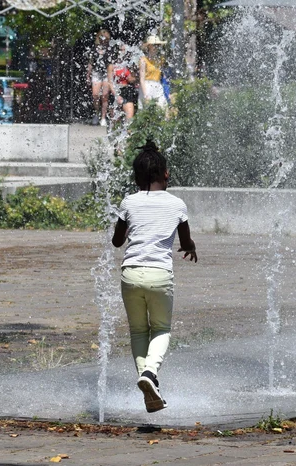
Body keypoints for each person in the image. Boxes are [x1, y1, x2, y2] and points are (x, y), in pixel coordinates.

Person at [112, 141, 198, 413]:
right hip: (160, 275)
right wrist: (190, 247)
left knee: (138, 330)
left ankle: (149, 384)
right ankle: (149, 374)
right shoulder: (176, 204)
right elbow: (184, 241)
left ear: (136, 177)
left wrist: (130, 225)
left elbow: (117, 242)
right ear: (166, 174)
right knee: (161, 329)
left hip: (131, 274)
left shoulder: (129, 202)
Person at [107, 41, 139, 123]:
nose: (123, 52)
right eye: (121, 50)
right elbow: (110, 82)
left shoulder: (128, 64)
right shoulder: (112, 66)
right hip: (116, 91)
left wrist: (137, 76)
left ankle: (128, 133)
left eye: (125, 50)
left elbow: (130, 79)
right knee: (114, 120)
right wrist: (116, 96)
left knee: (129, 118)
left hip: (127, 91)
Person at [87, 29, 111, 126]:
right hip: (96, 72)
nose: (103, 39)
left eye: (105, 38)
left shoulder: (110, 48)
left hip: (106, 73)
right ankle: (96, 113)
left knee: (105, 96)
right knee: (95, 95)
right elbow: (90, 63)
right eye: (102, 37)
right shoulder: (94, 49)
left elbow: (112, 63)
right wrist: (88, 75)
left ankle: (103, 117)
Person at [139, 35, 167, 109]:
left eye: (157, 45)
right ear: (149, 46)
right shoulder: (143, 60)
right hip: (147, 86)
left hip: (158, 85)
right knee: (147, 112)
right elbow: (141, 79)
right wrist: (146, 95)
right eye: (154, 45)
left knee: (163, 108)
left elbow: (162, 76)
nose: (156, 47)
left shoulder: (160, 60)